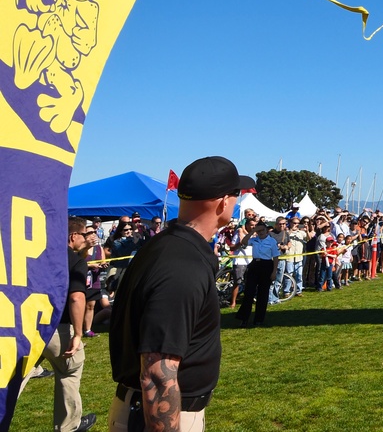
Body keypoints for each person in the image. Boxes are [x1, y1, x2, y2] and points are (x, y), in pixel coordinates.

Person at [108, 155, 243, 431]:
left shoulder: (169, 246)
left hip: (153, 412)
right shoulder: (182, 264)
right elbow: (158, 373)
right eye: (235, 195)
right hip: (157, 417)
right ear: (223, 202)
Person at [19, 216, 98, 431]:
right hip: (58, 327)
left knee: (15, 376)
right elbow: (76, 297)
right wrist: (78, 334)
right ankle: (68, 425)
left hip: (27, 325)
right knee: (69, 372)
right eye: (84, 234)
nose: (87, 238)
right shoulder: (75, 261)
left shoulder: (35, 254)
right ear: (73, 236)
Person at [235, 220, 279, 327]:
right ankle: (244, 318)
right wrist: (252, 231)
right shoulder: (254, 240)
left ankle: (259, 319)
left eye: (262, 230)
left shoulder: (271, 241)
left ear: (266, 231)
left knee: (262, 294)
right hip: (255, 264)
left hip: (266, 265)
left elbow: (276, 257)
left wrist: (274, 272)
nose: (261, 232)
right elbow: (244, 242)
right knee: (249, 292)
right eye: (259, 230)